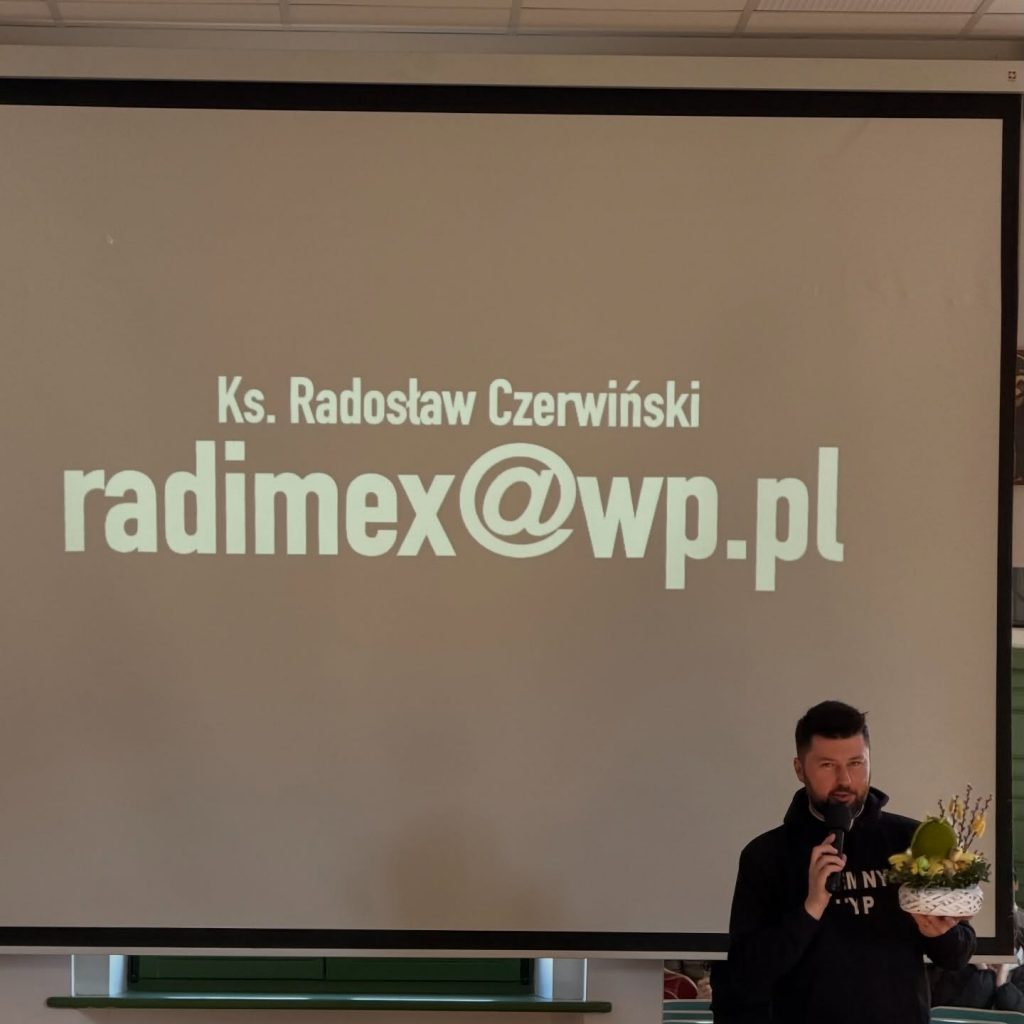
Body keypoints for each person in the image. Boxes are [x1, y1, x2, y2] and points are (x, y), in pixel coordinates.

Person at [717, 700, 976, 1024]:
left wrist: (939, 933)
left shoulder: (910, 840)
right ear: (800, 769)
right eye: (827, 765)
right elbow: (746, 972)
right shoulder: (766, 855)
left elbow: (958, 954)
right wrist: (810, 909)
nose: (845, 779)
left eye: (856, 763)